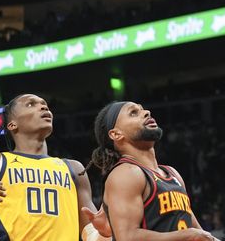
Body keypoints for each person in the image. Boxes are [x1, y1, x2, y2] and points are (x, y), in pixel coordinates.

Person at [87, 101, 218, 240]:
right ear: (116, 134)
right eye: (133, 113)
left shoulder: (172, 174)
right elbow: (127, 237)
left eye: (142, 109)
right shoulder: (126, 173)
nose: (146, 112)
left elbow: (201, 235)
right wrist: (188, 235)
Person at [0, 93, 109, 241]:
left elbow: (91, 232)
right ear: (12, 124)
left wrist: (105, 233)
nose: (43, 106)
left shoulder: (73, 168)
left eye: (44, 104)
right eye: (31, 104)